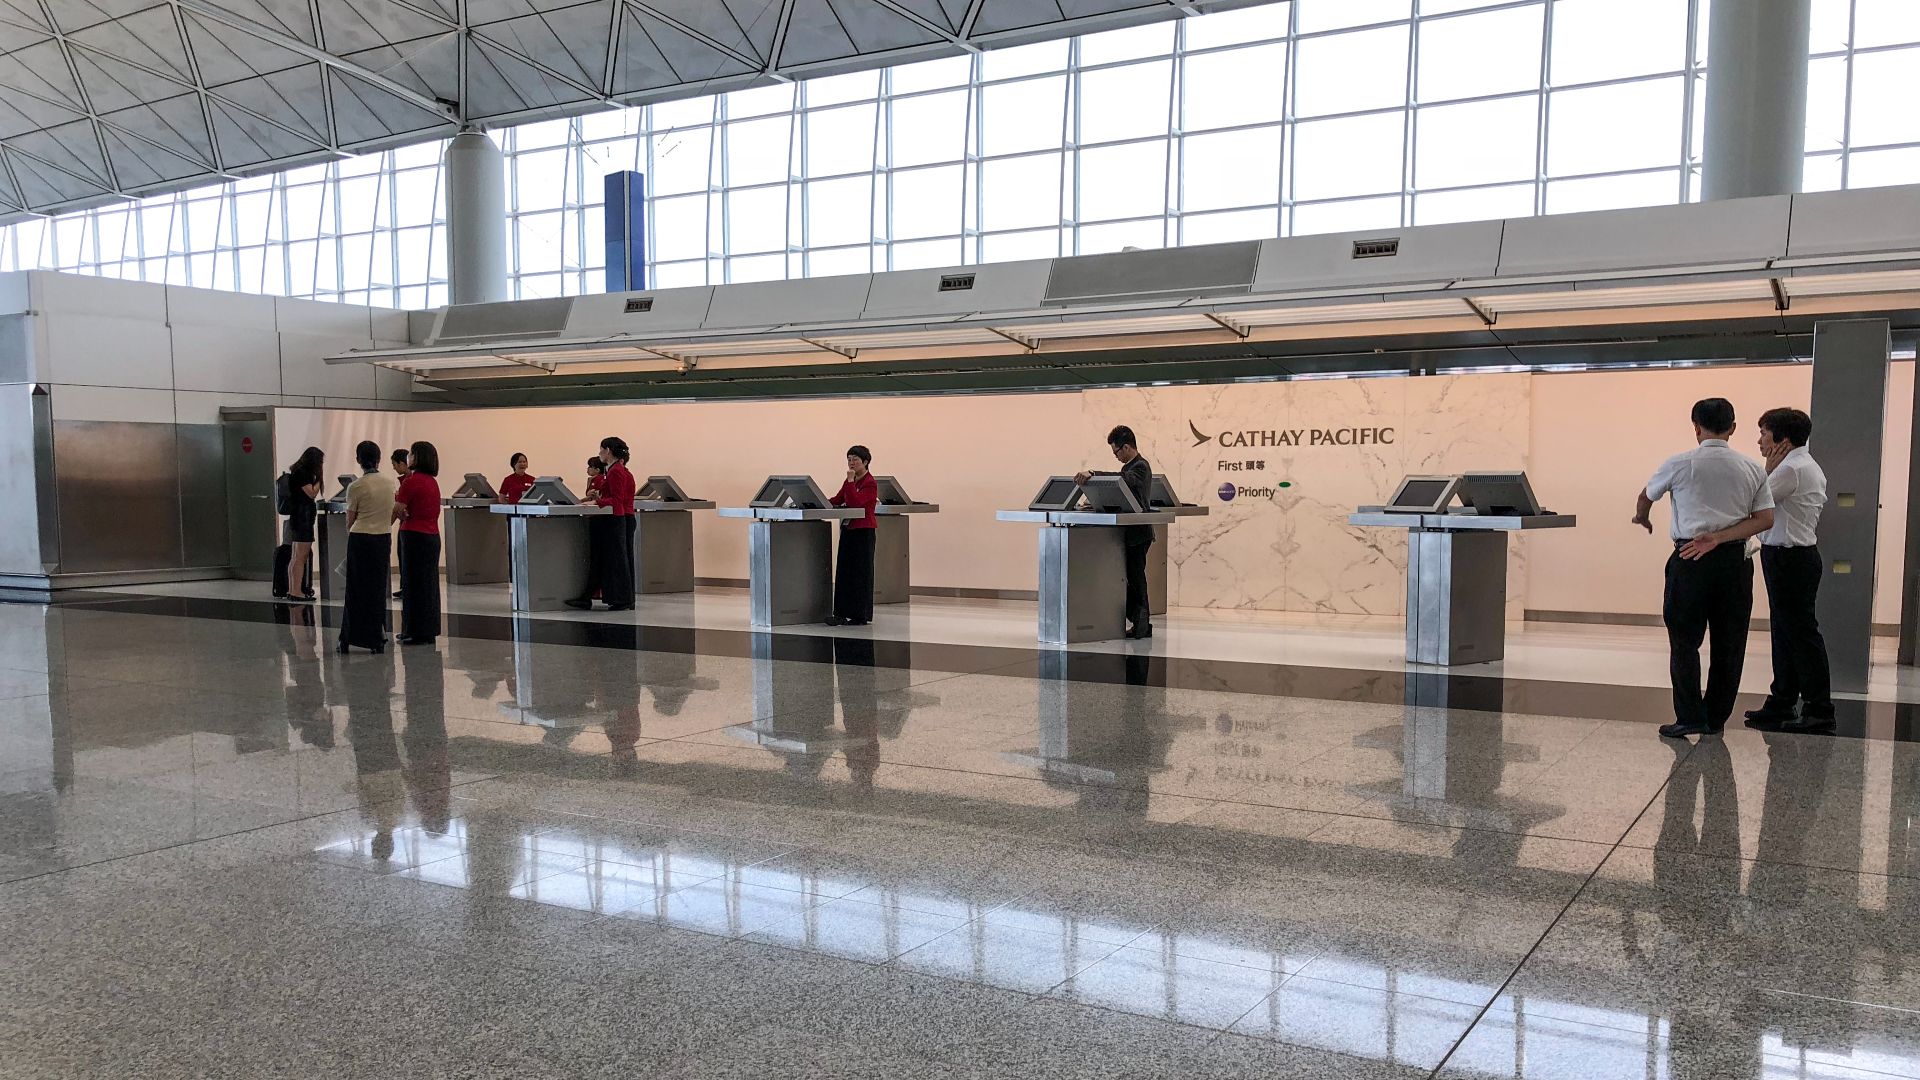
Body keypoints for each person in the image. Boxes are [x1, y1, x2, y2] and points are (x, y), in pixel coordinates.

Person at [1634, 398, 1775, 739]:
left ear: (1695, 426)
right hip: (1734, 564)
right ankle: (1714, 718)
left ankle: (1688, 716)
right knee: (1730, 643)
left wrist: (1643, 517)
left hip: (1688, 559)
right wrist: (1722, 537)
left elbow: (1645, 496)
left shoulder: (1679, 463)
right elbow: (1764, 520)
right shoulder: (1752, 468)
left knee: (1684, 641)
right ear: (1734, 427)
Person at [1746, 407, 1835, 733]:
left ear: (1782, 439)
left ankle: (1818, 709)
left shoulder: (1791, 469)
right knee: (1786, 633)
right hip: (1790, 557)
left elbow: (1752, 503)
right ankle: (1782, 701)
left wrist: (1768, 469)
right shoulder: (1800, 465)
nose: (1759, 441)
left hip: (1790, 558)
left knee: (1800, 634)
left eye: (1764, 434)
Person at [1076, 425, 1155, 639]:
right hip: (1129, 534)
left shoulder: (1140, 467)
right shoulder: (1130, 466)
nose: (1116, 456)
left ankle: (1141, 623)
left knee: (1136, 579)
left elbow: (1121, 481)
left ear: (1127, 447)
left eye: (1116, 452)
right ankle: (1140, 622)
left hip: (1138, 534)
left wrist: (1093, 474)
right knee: (1131, 578)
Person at [337, 440, 396, 655]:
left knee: (356, 589)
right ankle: (377, 636)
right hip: (383, 538)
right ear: (379, 459)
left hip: (361, 539)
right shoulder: (390, 484)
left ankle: (348, 637)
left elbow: (349, 521)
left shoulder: (356, 486)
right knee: (377, 588)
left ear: (358, 460)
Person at [568, 437, 635, 611]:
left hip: (615, 519)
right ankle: (612, 597)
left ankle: (621, 598)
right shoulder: (612, 470)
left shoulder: (616, 471)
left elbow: (617, 499)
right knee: (613, 559)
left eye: (601, 449)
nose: (599, 453)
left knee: (616, 559)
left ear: (608, 450)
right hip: (613, 518)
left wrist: (598, 501)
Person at [392, 441, 442, 646]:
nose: (408, 457)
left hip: (413, 536)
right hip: (432, 536)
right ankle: (428, 630)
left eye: (411, 454)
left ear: (417, 457)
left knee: (412, 584)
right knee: (429, 585)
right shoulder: (432, 481)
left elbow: (397, 509)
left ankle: (412, 630)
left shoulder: (410, 482)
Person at [827, 445, 879, 627]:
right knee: (844, 571)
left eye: (855, 459)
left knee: (860, 573)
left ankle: (859, 615)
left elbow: (856, 502)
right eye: (849, 459)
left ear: (865, 462)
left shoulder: (870, 483)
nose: (851, 463)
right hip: (849, 529)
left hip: (864, 531)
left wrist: (850, 482)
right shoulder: (850, 481)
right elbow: (839, 499)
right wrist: (820, 502)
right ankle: (840, 613)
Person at [283, 446, 324, 603]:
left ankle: (292, 589)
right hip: (303, 519)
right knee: (301, 556)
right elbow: (312, 493)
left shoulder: (296, 471)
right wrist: (319, 479)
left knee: (295, 556)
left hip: (297, 518)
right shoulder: (303, 473)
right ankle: (296, 591)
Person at [390, 448, 411, 600]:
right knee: (402, 556)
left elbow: (399, 507)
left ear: (403, 463)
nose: (394, 468)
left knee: (406, 557)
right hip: (404, 524)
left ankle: (408, 587)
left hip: (408, 525)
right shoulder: (405, 480)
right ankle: (405, 586)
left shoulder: (409, 482)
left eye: (395, 464)